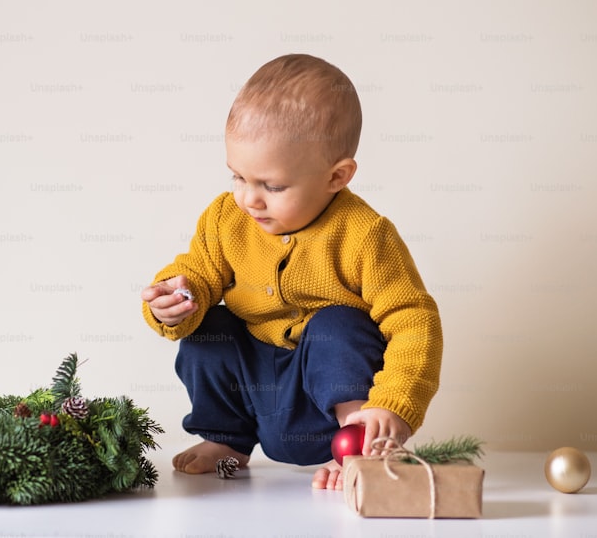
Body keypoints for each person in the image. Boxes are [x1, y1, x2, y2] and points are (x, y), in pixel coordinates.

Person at [140, 54, 442, 490]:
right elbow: (199, 271)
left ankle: (358, 442)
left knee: (338, 325)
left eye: (273, 186)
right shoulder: (227, 218)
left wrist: (393, 403)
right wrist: (175, 298)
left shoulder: (364, 235)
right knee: (211, 327)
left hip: (320, 395)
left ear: (336, 176)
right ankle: (227, 437)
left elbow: (415, 321)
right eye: (238, 177)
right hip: (256, 383)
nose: (249, 199)